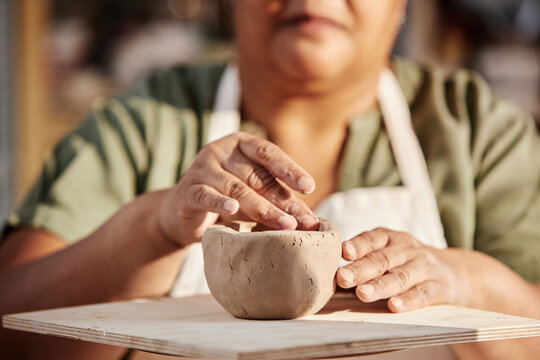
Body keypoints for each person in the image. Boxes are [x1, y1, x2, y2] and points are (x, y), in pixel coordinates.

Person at [1, 1, 539, 359]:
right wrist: (155, 230)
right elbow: (12, 326)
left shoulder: (474, 130)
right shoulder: (144, 124)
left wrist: (470, 283)